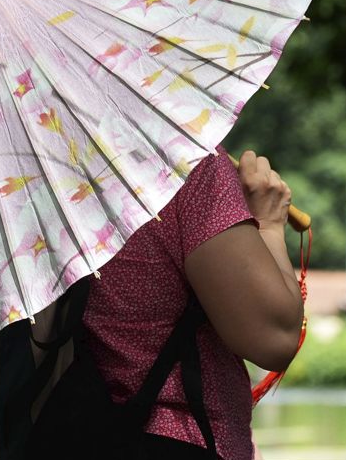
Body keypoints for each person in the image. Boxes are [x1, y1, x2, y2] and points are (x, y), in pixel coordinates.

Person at [0, 147, 303, 460]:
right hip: (174, 439)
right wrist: (268, 223)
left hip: (54, 440)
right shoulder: (171, 161)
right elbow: (273, 335)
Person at [72, 147, 304, 459]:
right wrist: (269, 224)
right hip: (182, 438)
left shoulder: (29, 177)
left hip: (74, 433)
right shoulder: (178, 161)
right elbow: (275, 336)